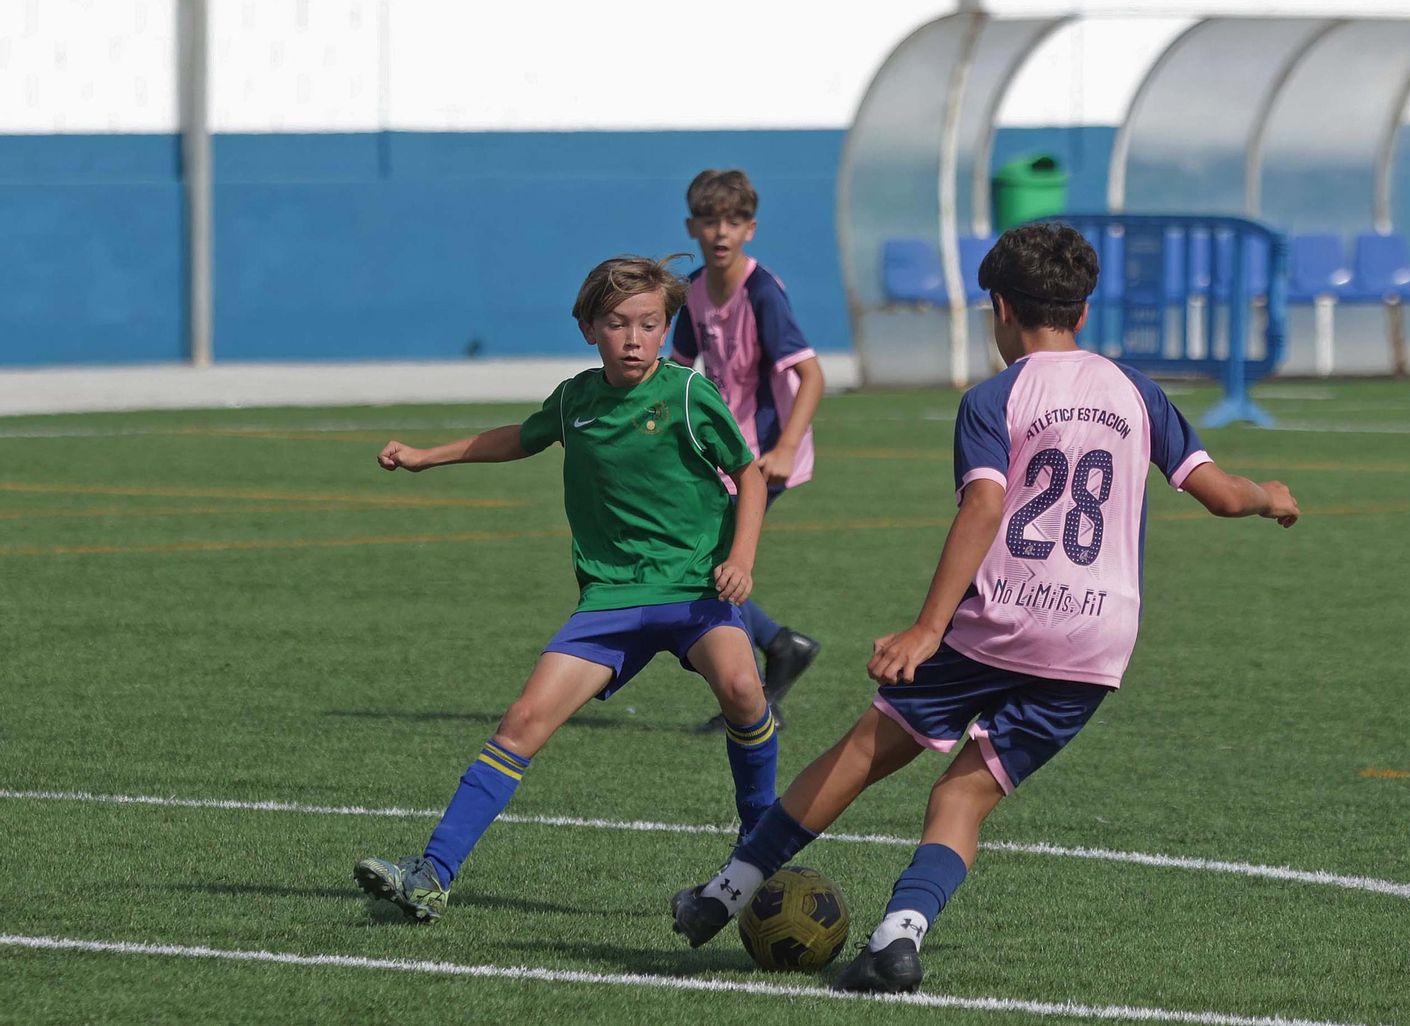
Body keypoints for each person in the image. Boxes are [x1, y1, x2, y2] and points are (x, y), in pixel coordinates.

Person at [667, 222, 1300, 991]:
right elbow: (1223, 494)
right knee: (966, 790)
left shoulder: (996, 397)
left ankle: (723, 894)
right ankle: (898, 940)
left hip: (999, 622)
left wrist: (928, 628)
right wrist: (1272, 498)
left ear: (999, 307)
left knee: (866, 749)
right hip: (1096, 643)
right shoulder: (1136, 390)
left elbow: (984, 507)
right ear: (1084, 310)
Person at [354, 255, 780, 923]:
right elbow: (519, 437)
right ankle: (431, 873)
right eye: (617, 324)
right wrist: (424, 455)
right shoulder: (576, 400)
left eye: (650, 324)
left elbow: (749, 475)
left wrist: (742, 558)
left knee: (743, 687)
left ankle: (761, 843)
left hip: (694, 590)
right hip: (610, 598)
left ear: (667, 330)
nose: (634, 339)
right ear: (588, 329)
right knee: (523, 721)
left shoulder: (690, 396)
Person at [674, 169, 824, 732]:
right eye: (710, 220)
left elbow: (811, 376)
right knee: (704, 565)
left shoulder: (762, 292)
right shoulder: (691, 291)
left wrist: (785, 448)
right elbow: (681, 371)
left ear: (750, 229)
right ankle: (780, 648)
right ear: (692, 226)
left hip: (762, 458)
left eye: (733, 221)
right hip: (725, 452)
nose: (720, 231)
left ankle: (760, 686)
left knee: (712, 566)